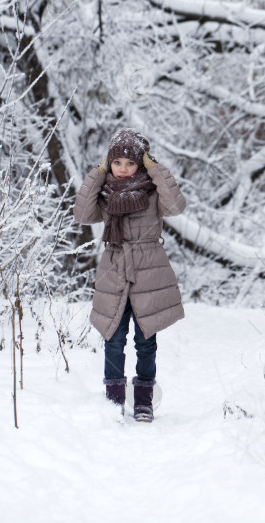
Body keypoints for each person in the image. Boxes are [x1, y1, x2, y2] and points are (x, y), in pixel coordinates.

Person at [73, 128, 186, 422]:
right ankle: (113, 402)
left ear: (141, 165)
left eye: (131, 163)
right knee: (113, 336)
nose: (123, 169)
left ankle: (144, 402)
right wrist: (98, 173)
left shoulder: (152, 195)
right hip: (114, 270)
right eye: (116, 162)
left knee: (146, 340)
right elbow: (82, 214)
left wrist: (155, 168)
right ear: (109, 163)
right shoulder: (106, 195)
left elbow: (176, 204)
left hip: (148, 271)